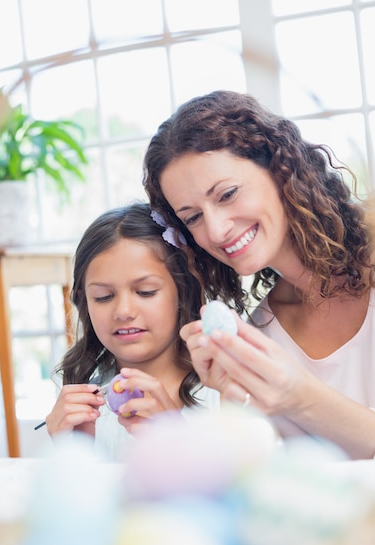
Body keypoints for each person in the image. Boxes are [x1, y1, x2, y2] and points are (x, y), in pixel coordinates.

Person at [143, 89, 375, 460]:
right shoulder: (262, 335)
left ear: (280, 167)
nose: (216, 231)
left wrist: (296, 394)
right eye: (193, 218)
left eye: (227, 194)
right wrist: (237, 403)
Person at [45, 202, 219, 460]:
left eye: (145, 292)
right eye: (103, 297)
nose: (123, 311)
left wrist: (177, 439)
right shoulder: (83, 397)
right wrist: (72, 452)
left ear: (184, 292)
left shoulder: (219, 391)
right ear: (85, 301)